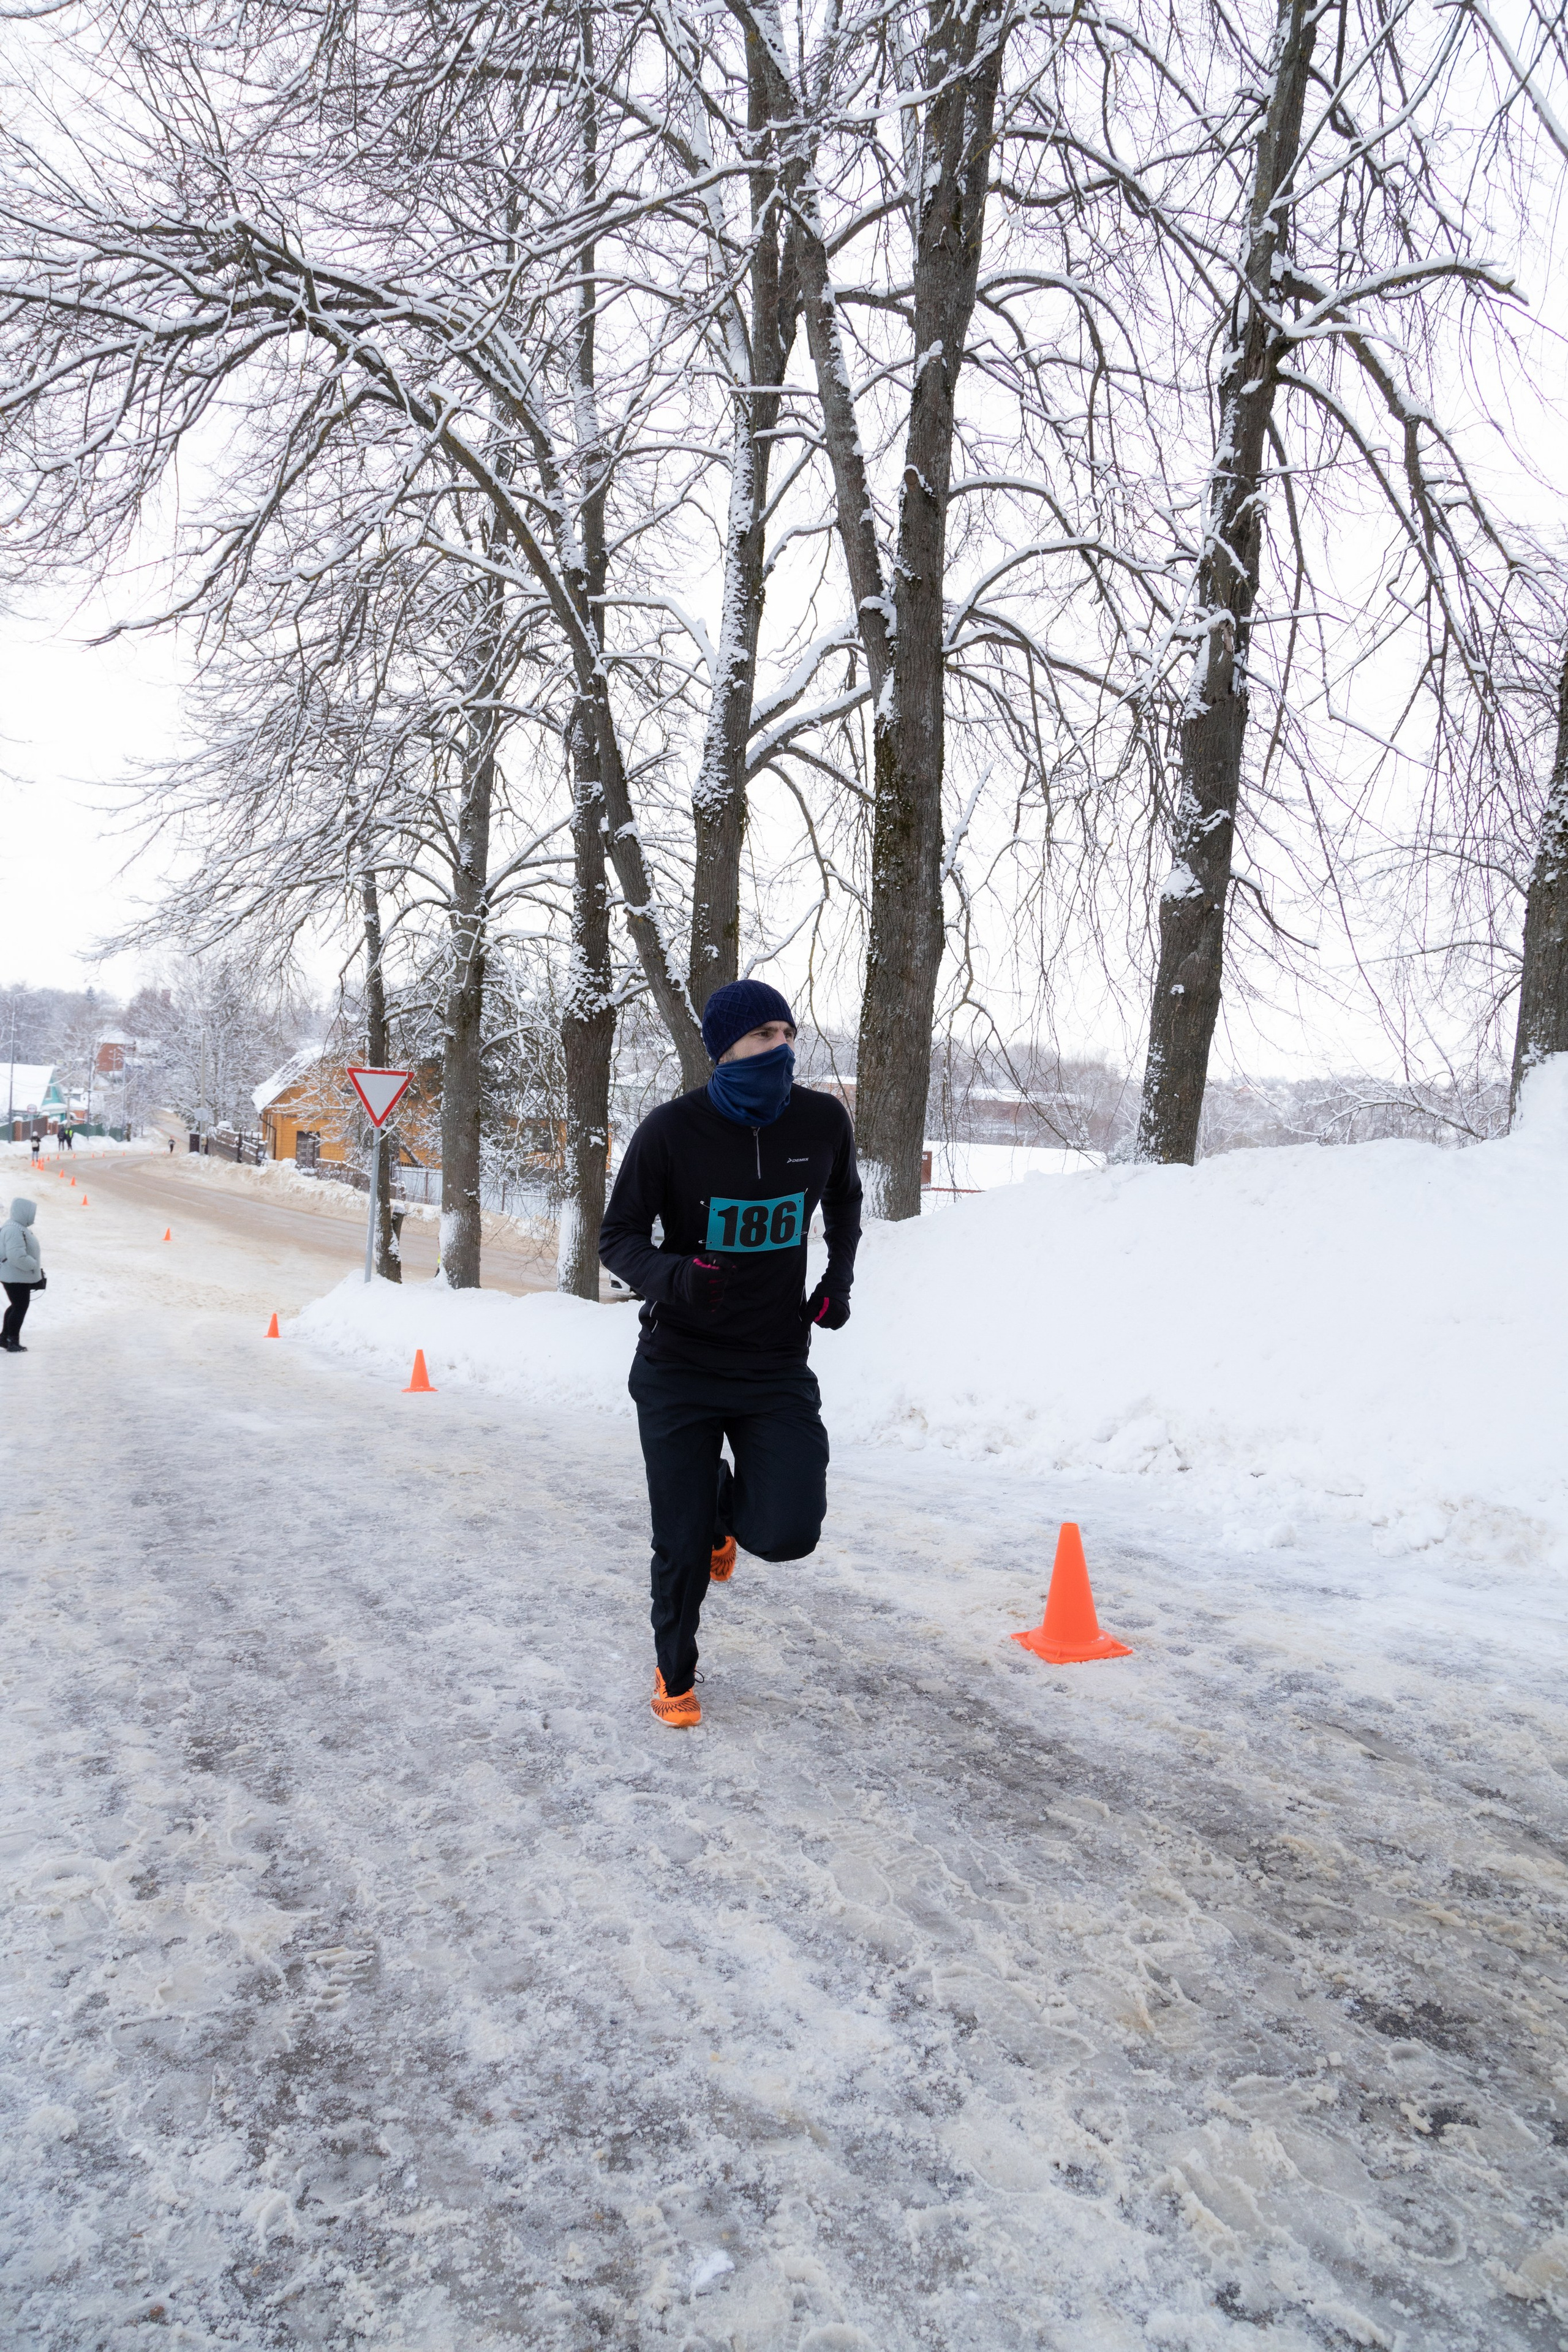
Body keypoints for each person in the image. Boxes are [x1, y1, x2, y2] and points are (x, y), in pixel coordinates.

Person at [599, 979, 862, 1728]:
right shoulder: (670, 1131)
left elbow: (845, 1198)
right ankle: (674, 1671)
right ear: (724, 1050)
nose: (779, 1048)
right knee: (679, 1545)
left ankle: (726, 1512)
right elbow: (616, 1236)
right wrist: (677, 1277)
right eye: (761, 1037)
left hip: (774, 1362)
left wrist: (836, 1281)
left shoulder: (820, 1120)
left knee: (787, 1532)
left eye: (786, 1033)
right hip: (679, 1365)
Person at [1, 1196, 44, 1354]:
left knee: (16, 1306)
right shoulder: (13, 1229)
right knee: (20, 1307)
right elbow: (16, 1256)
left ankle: (5, 1338)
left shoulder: (17, 1227)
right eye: (32, 1213)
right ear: (23, 1212)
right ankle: (13, 1341)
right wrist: (32, 1264)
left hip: (16, 1275)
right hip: (15, 1276)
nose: (33, 1216)